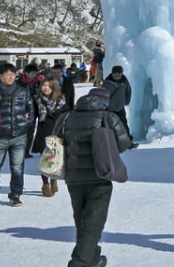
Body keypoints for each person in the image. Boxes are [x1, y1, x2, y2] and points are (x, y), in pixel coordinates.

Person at [54, 85, 131, 267]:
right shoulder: (107, 117)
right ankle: (78, 263)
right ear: (104, 102)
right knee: (93, 223)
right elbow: (124, 144)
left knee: (82, 221)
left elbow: (54, 140)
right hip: (100, 176)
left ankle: (93, 258)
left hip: (73, 177)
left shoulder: (66, 117)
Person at [0, 62, 34, 206]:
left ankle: (15, 194)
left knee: (17, 167)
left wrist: (27, 124)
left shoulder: (22, 91)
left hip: (19, 136)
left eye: (13, 75)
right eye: (8, 75)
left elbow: (31, 108)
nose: (11, 77)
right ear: (0, 76)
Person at [33, 79, 69, 197]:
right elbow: (32, 118)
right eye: (44, 85)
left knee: (57, 159)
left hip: (58, 134)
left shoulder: (62, 101)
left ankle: (54, 180)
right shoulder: (37, 100)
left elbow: (67, 118)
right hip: (44, 133)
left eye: (49, 86)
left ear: (54, 88)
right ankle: (45, 184)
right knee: (45, 161)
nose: (46, 88)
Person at [102, 65, 135, 147]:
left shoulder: (124, 81)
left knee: (124, 125)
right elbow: (102, 94)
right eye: (116, 75)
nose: (117, 77)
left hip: (120, 108)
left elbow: (129, 91)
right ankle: (111, 143)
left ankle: (128, 143)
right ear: (112, 74)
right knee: (109, 126)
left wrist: (126, 101)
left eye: (119, 75)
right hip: (109, 108)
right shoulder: (107, 83)